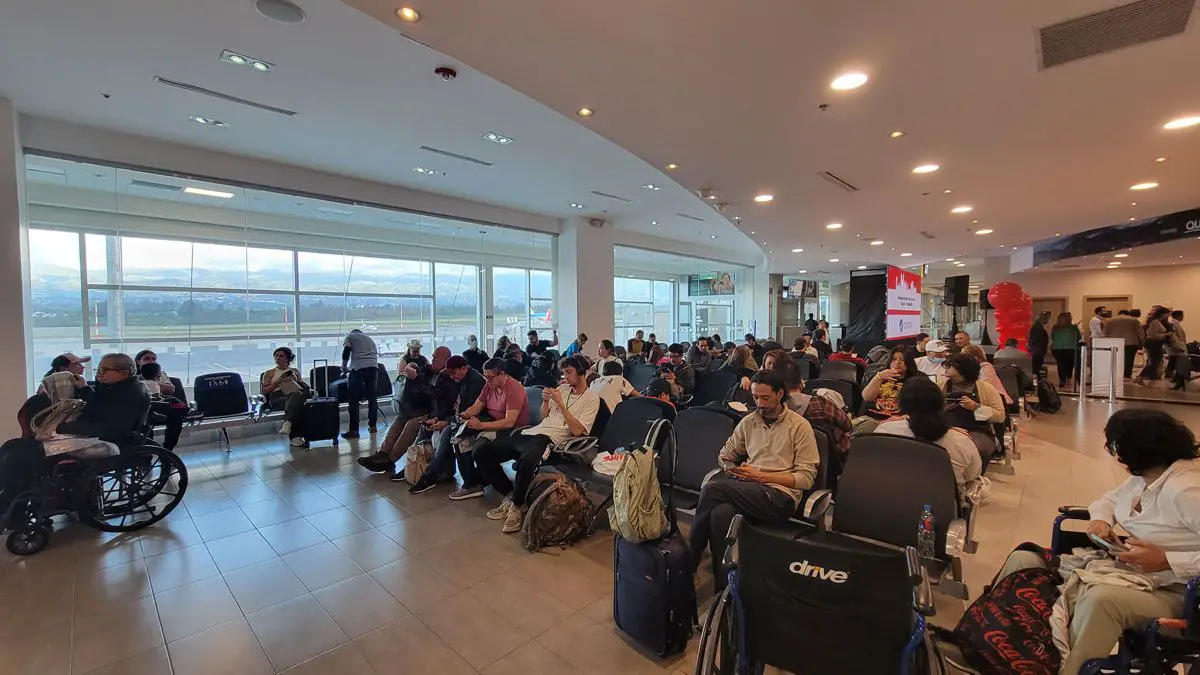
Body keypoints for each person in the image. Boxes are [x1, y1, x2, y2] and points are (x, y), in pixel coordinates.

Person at [994, 409, 1200, 674]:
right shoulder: (1147, 477)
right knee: (1023, 559)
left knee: (1100, 600)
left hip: (1180, 591)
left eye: (1115, 445)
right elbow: (1110, 500)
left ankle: (1069, 669)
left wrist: (1167, 559)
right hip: (1131, 572)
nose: (1112, 452)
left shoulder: (1185, 490)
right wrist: (1101, 520)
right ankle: (998, 647)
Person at [689, 371, 819, 590]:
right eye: (755, 397)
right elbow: (725, 455)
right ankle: (725, 586)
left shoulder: (799, 426)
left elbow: (806, 479)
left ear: (780, 394)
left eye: (765, 398)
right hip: (750, 489)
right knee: (721, 514)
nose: (759, 403)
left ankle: (689, 561)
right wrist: (732, 469)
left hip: (780, 496)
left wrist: (761, 476)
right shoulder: (749, 422)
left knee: (712, 489)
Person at [474, 356, 600, 533]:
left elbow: (578, 431)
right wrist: (547, 401)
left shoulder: (592, 399)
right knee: (481, 451)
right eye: (563, 373)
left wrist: (561, 405)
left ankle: (517, 506)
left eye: (569, 372)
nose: (565, 377)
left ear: (581, 372)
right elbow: (543, 418)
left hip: (552, 440)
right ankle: (510, 495)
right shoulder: (563, 388)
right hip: (532, 432)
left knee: (527, 461)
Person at [875, 377, 982, 507]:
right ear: (941, 403)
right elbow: (973, 474)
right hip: (941, 514)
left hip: (886, 505)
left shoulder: (884, 430)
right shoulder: (960, 439)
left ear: (901, 404)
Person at [406, 355, 493, 495]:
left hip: (478, 419)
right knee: (425, 429)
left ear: (463, 369)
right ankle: (414, 466)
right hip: (458, 416)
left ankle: (429, 477)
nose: (452, 377)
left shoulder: (475, 383)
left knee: (447, 433)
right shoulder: (459, 379)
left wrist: (447, 421)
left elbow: (470, 412)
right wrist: (437, 418)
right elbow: (450, 404)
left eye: (453, 373)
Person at [357, 341, 435, 471]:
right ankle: (383, 452)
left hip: (430, 408)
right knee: (401, 419)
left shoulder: (439, 374)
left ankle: (391, 458)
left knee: (411, 424)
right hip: (418, 404)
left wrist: (416, 377)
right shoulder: (419, 365)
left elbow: (431, 392)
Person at [57, 353, 151, 443]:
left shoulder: (131, 393)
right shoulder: (115, 387)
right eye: (98, 370)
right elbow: (99, 407)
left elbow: (109, 428)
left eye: (103, 370)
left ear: (123, 373)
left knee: (48, 449)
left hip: (115, 444)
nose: (98, 374)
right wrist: (85, 388)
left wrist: (64, 427)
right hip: (104, 438)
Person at [940, 353, 1006, 466]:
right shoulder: (941, 386)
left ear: (963, 369)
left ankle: (975, 477)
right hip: (948, 429)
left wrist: (976, 407)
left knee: (975, 449)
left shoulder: (986, 389)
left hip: (977, 431)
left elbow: (1000, 416)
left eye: (950, 365)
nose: (946, 368)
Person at [133, 350, 185, 450]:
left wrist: (148, 382)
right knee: (145, 419)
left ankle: (168, 449)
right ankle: (146, 453)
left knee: (176, 414)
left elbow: (170, 389)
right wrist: (155, 382)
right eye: (147, 358)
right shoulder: (133, 376)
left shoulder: (161, 373)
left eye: (154, 359)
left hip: (161, 404)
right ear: (138, 361)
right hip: (142, 407)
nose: (152, 361)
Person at [261, 347, 311, 448]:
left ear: (288, 359)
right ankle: (295, 436)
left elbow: (302, 387)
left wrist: (295, 381)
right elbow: (264, 390)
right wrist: (277, 383)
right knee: (297, 403)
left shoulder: (294, 371)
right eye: (276, 356)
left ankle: (288, 423)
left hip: (292, 394)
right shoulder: (270, 373)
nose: (277, 358)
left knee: (296, 397)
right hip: (278, 397)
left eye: (281, 356)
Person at [862, 347, 924, 418]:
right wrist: (878, 377)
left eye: (902, 359)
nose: (897, 362)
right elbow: (866, 398)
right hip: (872, 416)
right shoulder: (879, 374)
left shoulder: (918, 379)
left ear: (909, 362)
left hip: (898, 419)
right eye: (894, 359)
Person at [341, 328, 380, 439]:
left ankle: (353, 430)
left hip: (358, 368)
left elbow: (346, 352)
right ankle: (373, 427)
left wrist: (344, 367)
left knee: (353, 400)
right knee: (372, 398)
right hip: (373, 368)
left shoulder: (350, 336)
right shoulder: (369, 339)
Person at [1136, 307, 1172, 387]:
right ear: (1161, 314)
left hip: (1155, 343)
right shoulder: (1155, 322)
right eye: (1166, 313)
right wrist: (1167, 334)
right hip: (1153, 343)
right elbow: (1154, 335)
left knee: (1154, 362)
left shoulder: (1156, 321)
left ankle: (1141, 377)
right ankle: (1140, 376)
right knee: (1153, 362)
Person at [1105, 310, 1144, 379]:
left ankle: (1115, 372)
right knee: (1129, 359)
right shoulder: (1134, 320)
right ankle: (1127, 374)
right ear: (1128, 314)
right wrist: (1142, 342)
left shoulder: (1109, 321)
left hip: (1114, 342)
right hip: (1130, 342)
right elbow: (1141, 333)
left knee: (1115, 358)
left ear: (1118, 313)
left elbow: (1105, 332)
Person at [1050, 312, 1083, 388]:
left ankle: (1062, 381)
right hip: (1072, 349)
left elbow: (1053, 337)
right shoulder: (1073, 327)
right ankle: (1075, 380)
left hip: (1057, 349)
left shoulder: (1055, 327)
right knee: (1073, 365)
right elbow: (1078, 337)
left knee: (1061, 364)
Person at [1166, 310, 1187, 387]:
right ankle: (1175, 377)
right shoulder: (1173, 323)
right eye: (1182, 315)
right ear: (1178, 316)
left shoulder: (1175, 323)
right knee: (1176, 362)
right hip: (1176, 347)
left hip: (1177, 346)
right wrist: (1179, 346)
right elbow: (1173, 337)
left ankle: (1176, 378)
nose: (1183, 317)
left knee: (1174, 362)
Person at [1028, 311, 1052, 375]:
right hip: (1037, 351)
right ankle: (1035, 383)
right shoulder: (1038, 328)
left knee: (1035, 369)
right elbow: (1035, 339)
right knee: (1035, 369)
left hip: (1036, 350)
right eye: (1047, 319)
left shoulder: (1037, 326)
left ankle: (1036, 381)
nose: (1048, 321)